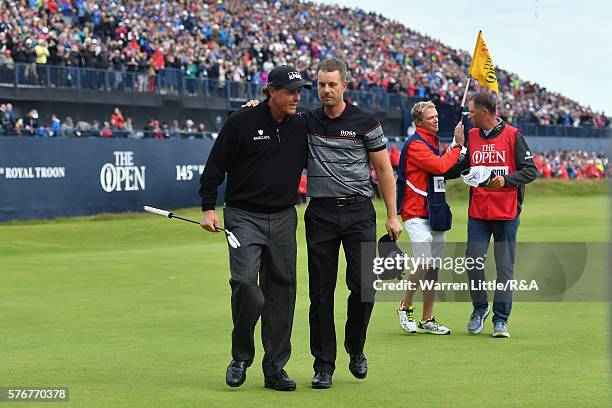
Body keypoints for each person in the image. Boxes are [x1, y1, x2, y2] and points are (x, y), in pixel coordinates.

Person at [199, 65, 310, 391]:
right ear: (271, 91)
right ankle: (240, 355)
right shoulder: (241, 121)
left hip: (284, 216)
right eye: (290, 91)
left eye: (299, 91)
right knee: (246, 283)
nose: (296, 97)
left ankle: (275, 369)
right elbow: (214, 167)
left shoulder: (302, 123)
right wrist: (208, 207)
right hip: (243, 216)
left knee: (282, 292)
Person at [304, 58, 402, 389]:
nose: (326, 90)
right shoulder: (305, 121)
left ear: (345, 85)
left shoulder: (365, 122)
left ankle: (355, 349)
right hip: (320, 214)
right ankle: (323, 365)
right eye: (320, 84)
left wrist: (392, 213)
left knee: (363, 288)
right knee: (320, 293)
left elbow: (385, 171)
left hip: (359, 212)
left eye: (332, 84)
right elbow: (273, 116)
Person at [448, 92, 537, 338]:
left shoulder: (513, 135)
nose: (468, 115)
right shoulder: (471, 136)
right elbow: (460, 169)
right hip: (478, 211)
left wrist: (507, 179)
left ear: (484, 112)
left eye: (471, 111)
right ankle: (480, 308)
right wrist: (458, 146)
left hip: (506, 212)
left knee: (504, 268)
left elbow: (531, 171)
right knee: (473, 261)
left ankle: (501, 320)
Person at [395, 101, 465, 335]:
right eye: (430, 117)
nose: (436, 119)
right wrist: (457, 147)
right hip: (415, 212)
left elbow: (446, 169)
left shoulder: (432, 142)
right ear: (418, 122)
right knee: (424, 263)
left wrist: (460, 152)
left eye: (436, 116)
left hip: (434, 212)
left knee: (433, 268)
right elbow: (439, 166)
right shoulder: (416, 144)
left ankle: (427, 318)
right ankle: (405, 305)